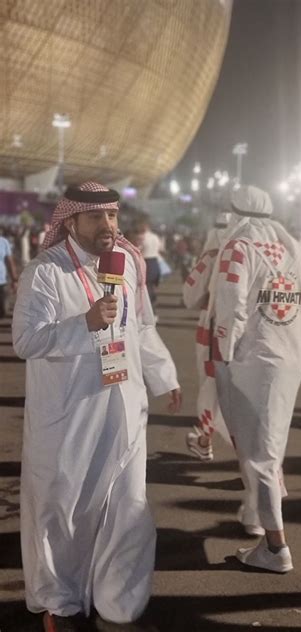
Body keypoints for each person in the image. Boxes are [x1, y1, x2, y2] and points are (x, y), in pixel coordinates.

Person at [12, 182, 181, 632]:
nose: (108, 226)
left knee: (127, 504)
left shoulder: (125, 263)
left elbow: (140, 326)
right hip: (69, 414)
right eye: (96, 217)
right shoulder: (45, 272)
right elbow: (26, 341)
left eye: (112, 216)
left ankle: (116, 597)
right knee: (62, 508)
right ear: (71, 221)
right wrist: (82, 324)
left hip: (124, 405)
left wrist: (164, 376)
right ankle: (58, 602)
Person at [210, 185, 301, 572]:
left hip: (252, 363)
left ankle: (276, 547)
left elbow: (230, 307)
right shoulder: (294, 247)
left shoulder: (238, 247)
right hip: (290, 359)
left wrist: (224, 356)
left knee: (258, 455)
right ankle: (264, 528)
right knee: (269, 449)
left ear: (234, 211)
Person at [182, 211, 232, 462]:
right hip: (254, 336)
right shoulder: (263, 252)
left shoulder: (212, 255)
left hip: (213, 332)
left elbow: (189, 296)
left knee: (211, 388)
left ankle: (204, 441)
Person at [0, 228, 18, 318]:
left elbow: (10, 261)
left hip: (2, 281)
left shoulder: (4, 242)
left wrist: (14, 279)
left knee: (2, 310)